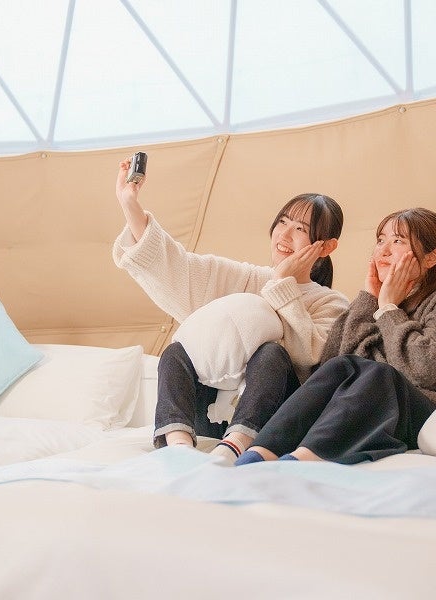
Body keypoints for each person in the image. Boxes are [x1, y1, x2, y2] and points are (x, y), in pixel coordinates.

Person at [111, 157, 349, 464]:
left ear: (326, 247)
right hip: (207, 418)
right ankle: (177, 447)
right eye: (282, 222)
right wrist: (129, 203)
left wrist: (282, 284)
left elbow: (310, 359)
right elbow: (178, 269)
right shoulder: (245, 278)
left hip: (268, 426)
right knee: (176, 350)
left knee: (271, 353)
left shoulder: (332, 303)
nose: (285, 235)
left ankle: (235, 447)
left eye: (300, 228)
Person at [235, 207, 436, 465]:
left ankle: (306, 459)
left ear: (431, 257)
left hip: (428, 413)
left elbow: (423, 367)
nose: (383, 251)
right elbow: (334, 364)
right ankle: (261, 451)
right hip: (376, 407)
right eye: (381, 240)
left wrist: (388, 308)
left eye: (398, 241)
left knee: (378, 373)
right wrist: (369, 298)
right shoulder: (375, 299)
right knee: (347, 366)